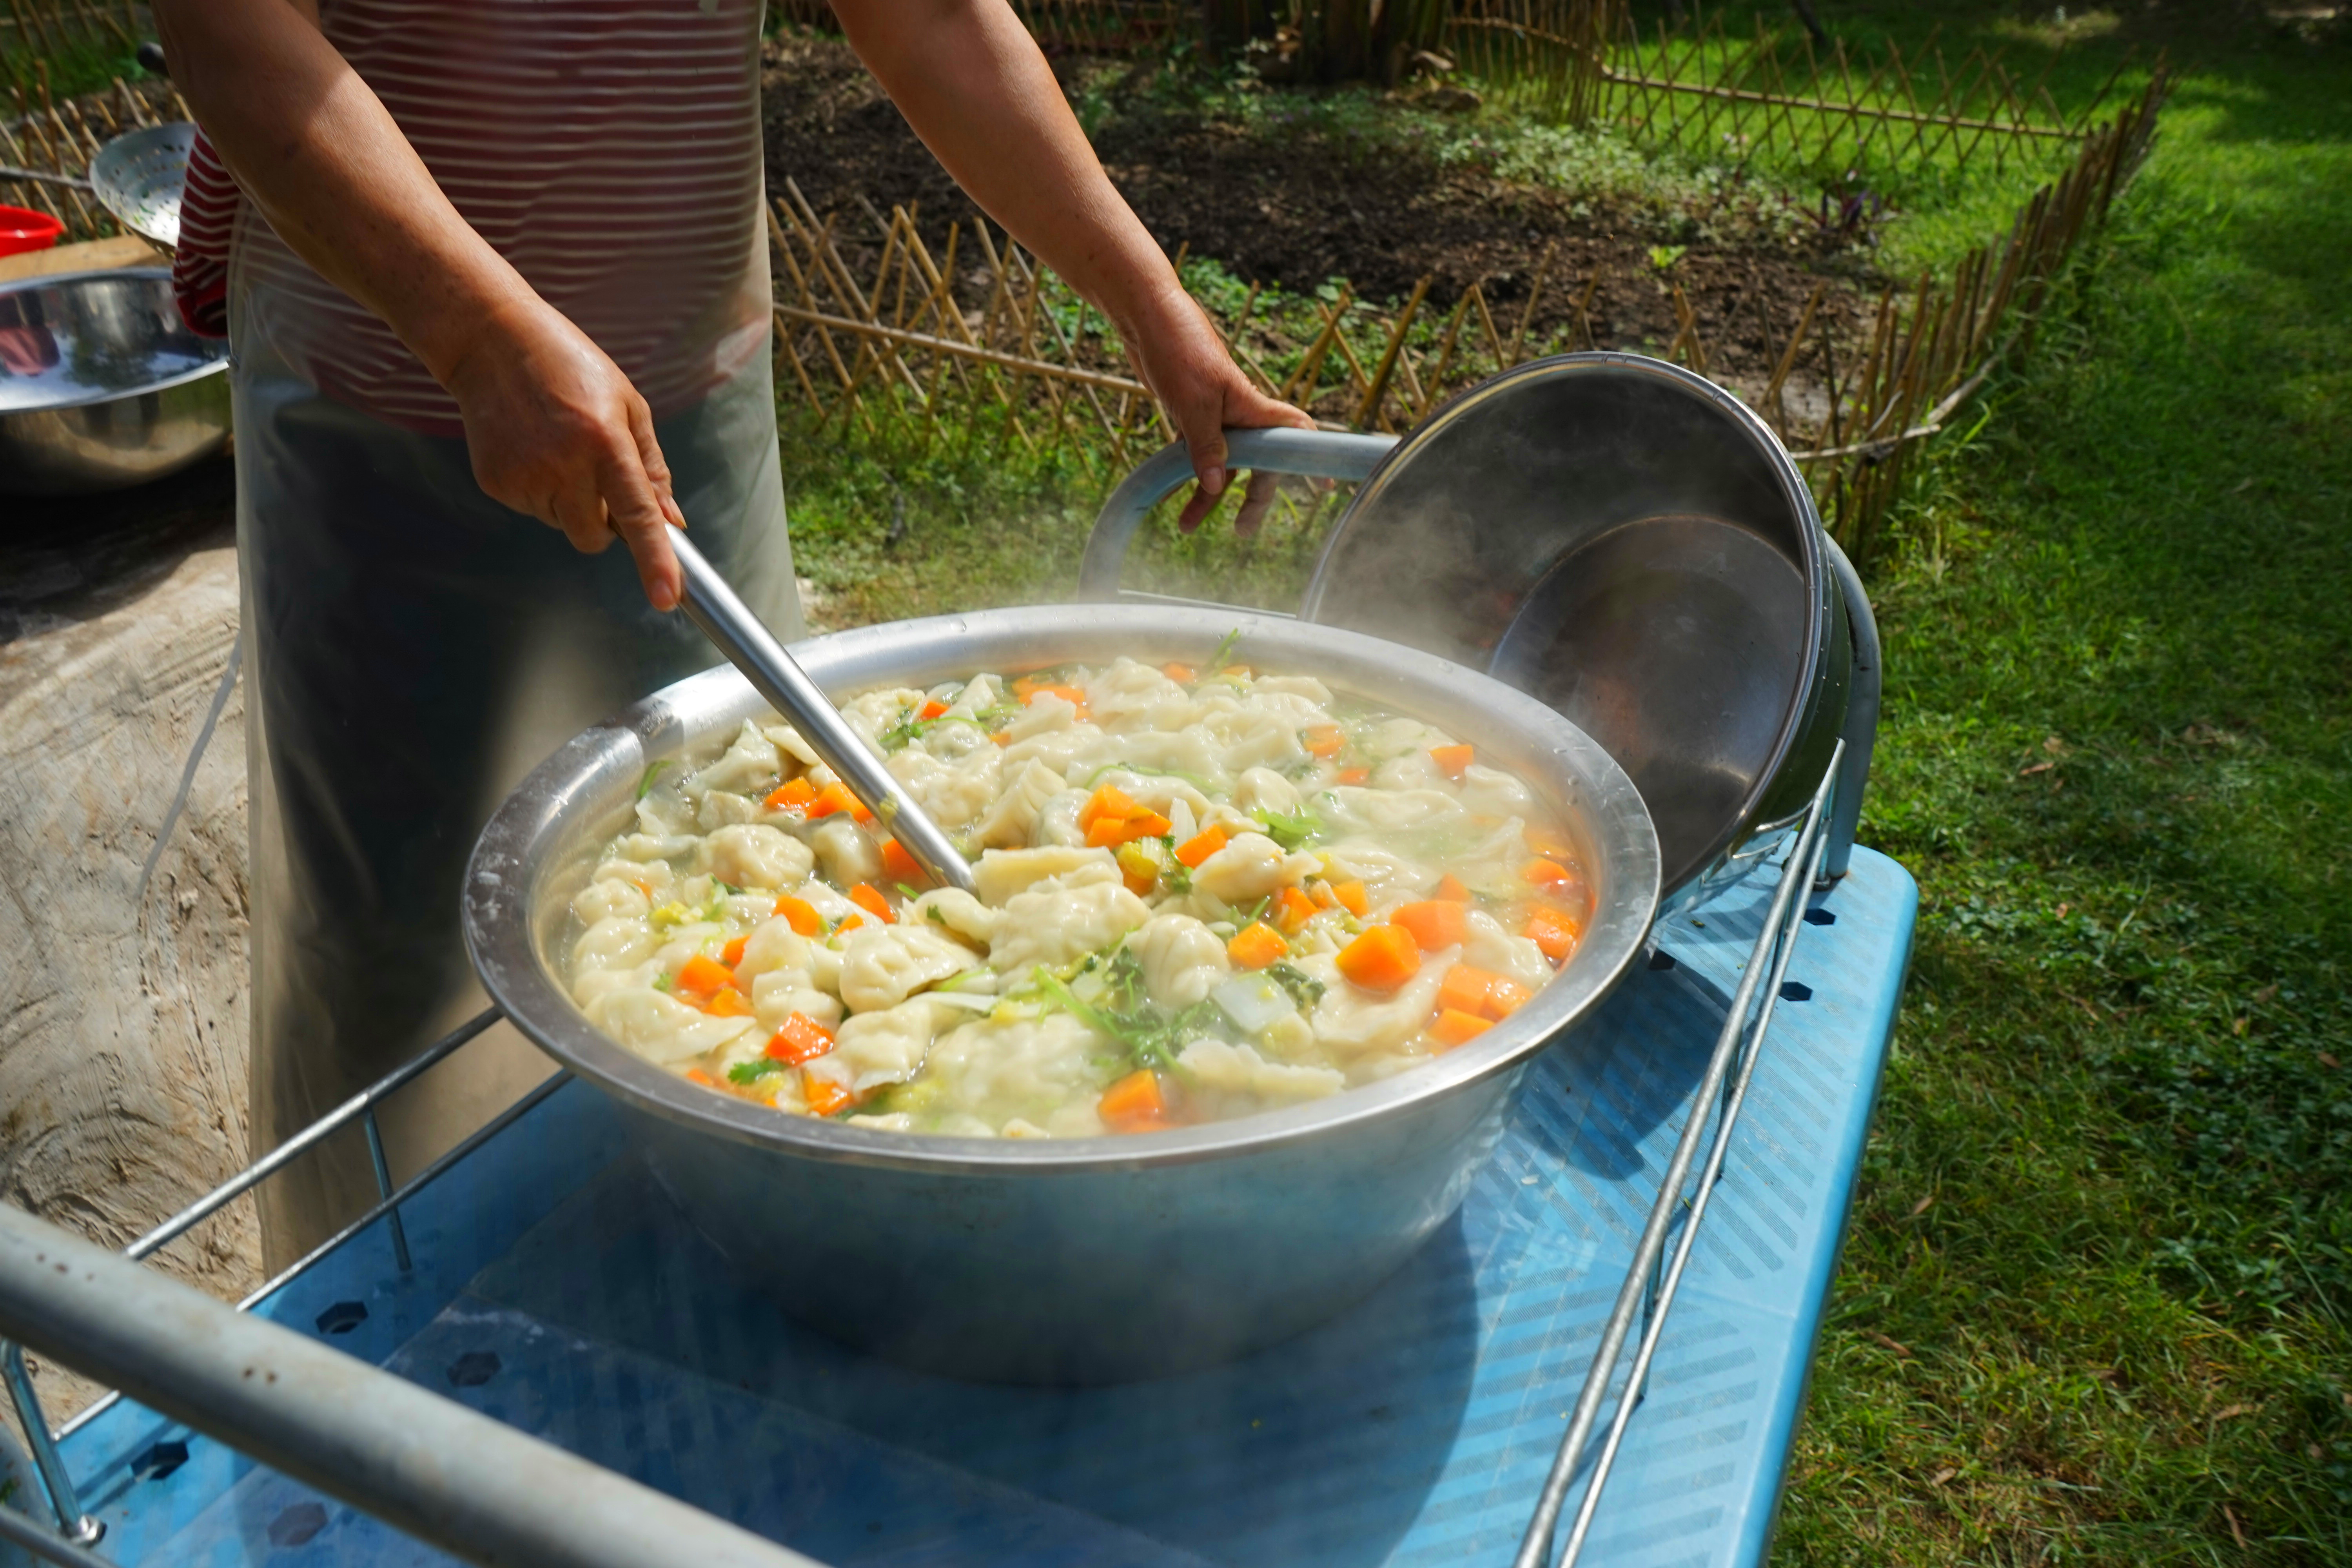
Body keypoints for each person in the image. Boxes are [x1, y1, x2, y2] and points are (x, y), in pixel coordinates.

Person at [154, 0, 1308, 1269]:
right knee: (402, 960)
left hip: (690, 420)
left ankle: (756, 1277)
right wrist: (477, 338)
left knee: (781, 870)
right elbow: (230, 38)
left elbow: (929, 14)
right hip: (386, 415)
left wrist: (1148, 299)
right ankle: (358, 1334)